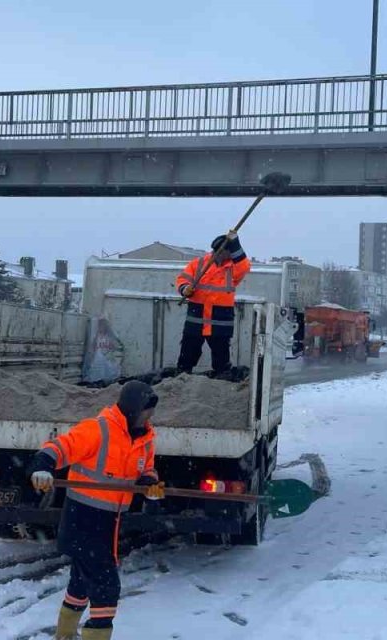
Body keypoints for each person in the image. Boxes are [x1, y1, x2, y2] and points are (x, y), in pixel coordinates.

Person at [29, 380, 164, 640]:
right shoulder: (98, 430)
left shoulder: (146, 439)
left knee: (81, 581)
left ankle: (64, 635)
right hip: (82, 519)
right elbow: (60, 447)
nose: (150, 416)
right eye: (146, 410)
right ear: (133, 408)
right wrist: (43, 466)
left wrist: (149, 483)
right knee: (106, 586)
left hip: (110, 521)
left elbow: (147, 468)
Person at [174, 230, 251, 374]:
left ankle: (222, 381)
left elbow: (244, 266)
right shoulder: (199, 264)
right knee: (187, 355)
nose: (222, 255)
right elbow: (182, 279)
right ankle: (182, 378)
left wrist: (236, 243)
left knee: (221, 359)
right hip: (197, 320)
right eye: (219, 252)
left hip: (220, 322)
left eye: (227, 252)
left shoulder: (233, 268)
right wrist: (185, 289)